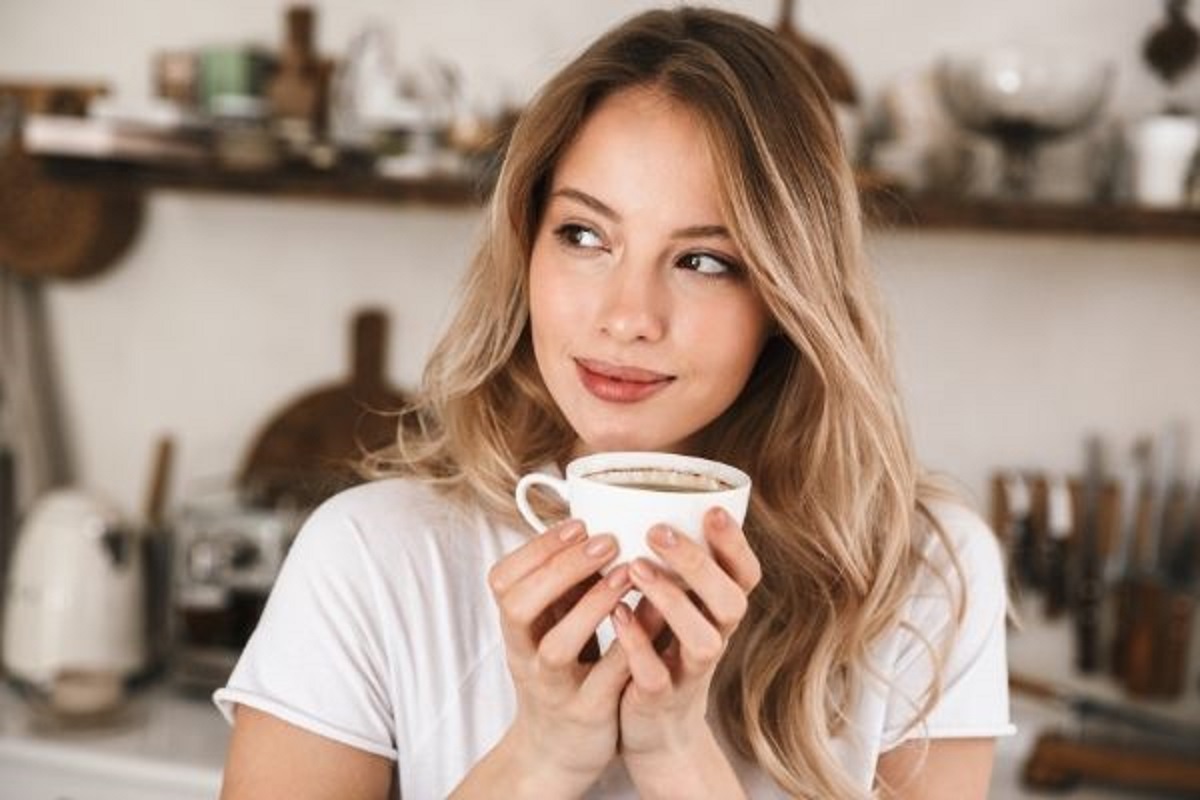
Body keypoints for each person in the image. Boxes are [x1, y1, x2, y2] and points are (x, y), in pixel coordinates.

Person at [215, 7, 1014, 799]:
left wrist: (675, 752)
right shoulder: (369, 558)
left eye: (703, 260)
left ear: (786, 298)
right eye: (586, 237)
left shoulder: (922, 578)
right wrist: (544, 756)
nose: (629, 317)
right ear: (527, 246)